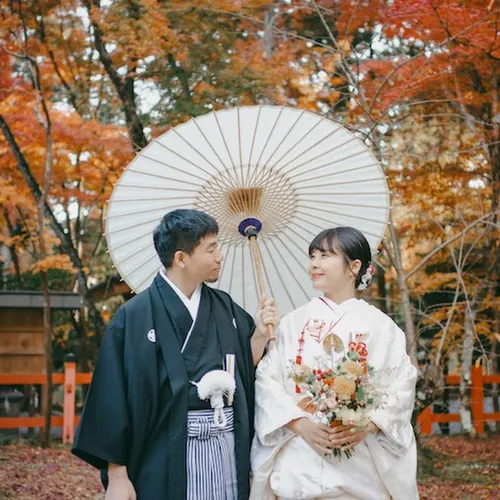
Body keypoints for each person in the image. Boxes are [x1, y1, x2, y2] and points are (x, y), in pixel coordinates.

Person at [72, 209, 279, 500]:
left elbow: (244, 369)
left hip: (226, 451)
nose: (220, 256)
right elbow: (112, 398)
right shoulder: (134, 316)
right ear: (181, 258)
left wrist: (259, 334)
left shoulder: (226, 308)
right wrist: (118, 476)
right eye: (211, 249)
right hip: (163, 454)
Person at [250, 227, 419, 500]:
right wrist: (299, 423)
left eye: (325, 255)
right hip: (300, 460)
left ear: (354, 266)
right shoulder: (290, 324)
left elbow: (402, 383)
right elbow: (268, 380)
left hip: (360, 464)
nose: (314, 263)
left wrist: (368, 424)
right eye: (312, 256)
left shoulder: (382, 328)